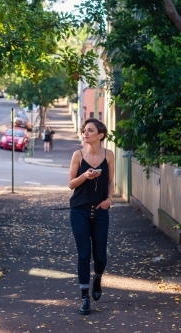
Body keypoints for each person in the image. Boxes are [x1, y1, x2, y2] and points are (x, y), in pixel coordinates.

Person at [68, 118, 115, 315]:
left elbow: (111, 180)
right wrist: (84, 176)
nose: (85, 134)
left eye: (90, 131)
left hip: (101, 210)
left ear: (100, 135)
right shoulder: (78, 155)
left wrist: (109, 200)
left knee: (101, 257)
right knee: (84, 254)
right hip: (79, 209)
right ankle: (85, 297)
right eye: (84, 130)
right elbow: (71, 184)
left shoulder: (109, 155)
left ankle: (98, 278)